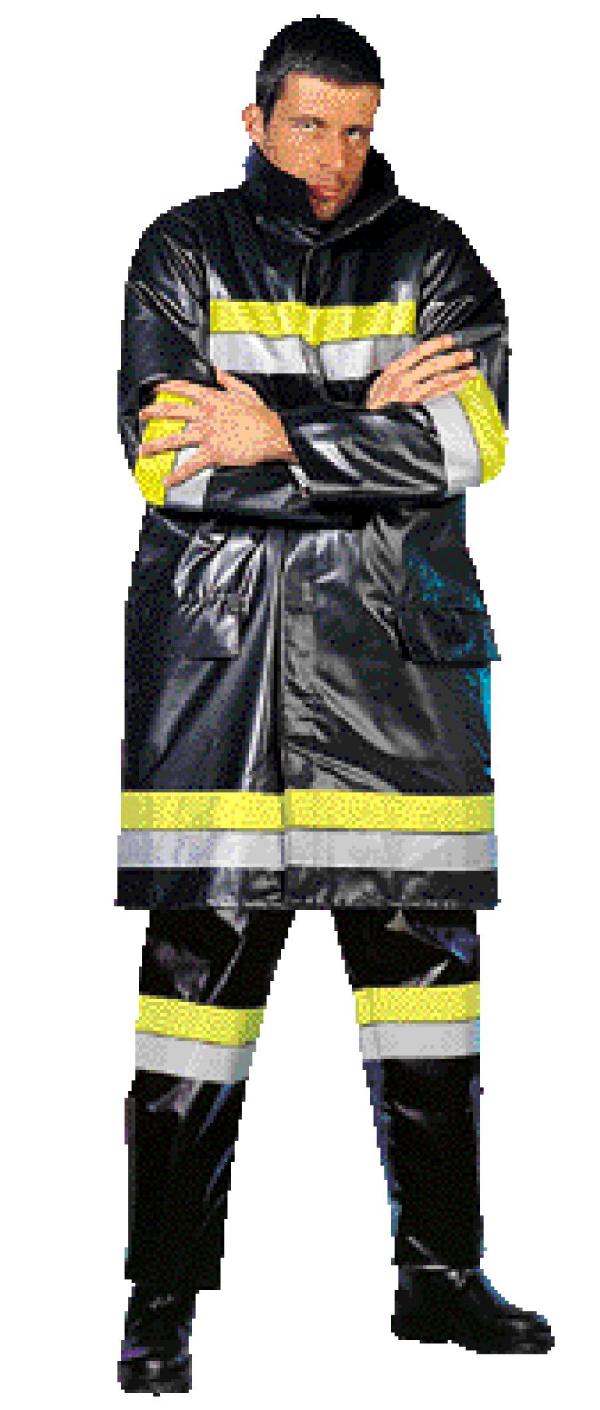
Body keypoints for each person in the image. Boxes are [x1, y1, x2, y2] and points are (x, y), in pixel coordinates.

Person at [116, 15, 554, 1392]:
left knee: (432, 1005)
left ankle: (440, 1278)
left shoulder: (438, 257)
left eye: (357, 128)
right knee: (191, 1011)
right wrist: (368, 417)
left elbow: (473, 439)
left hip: (398, 683)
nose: (334, 155)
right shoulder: (180, 252)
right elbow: (172, 462)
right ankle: (161, 1298)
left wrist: (283, 428)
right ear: (255, 121)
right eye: (309, 125)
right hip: (223, 688)